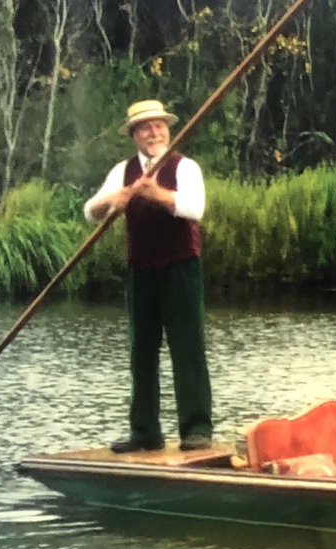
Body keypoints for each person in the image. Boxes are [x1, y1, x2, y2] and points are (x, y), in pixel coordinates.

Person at [83, 99, 213, 453]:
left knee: (187, 347)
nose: (154, 132)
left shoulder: (184, 167)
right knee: (142, 351)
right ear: (135, 136)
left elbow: (194, 208)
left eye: (158, 126)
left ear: (167, 130)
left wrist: (157, 194)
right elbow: (90, 211)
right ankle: (145, 432)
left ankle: (197, 429)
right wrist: (115, 199)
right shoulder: (123, 170)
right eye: (145, 128)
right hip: (140, 270)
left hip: (181, 266)